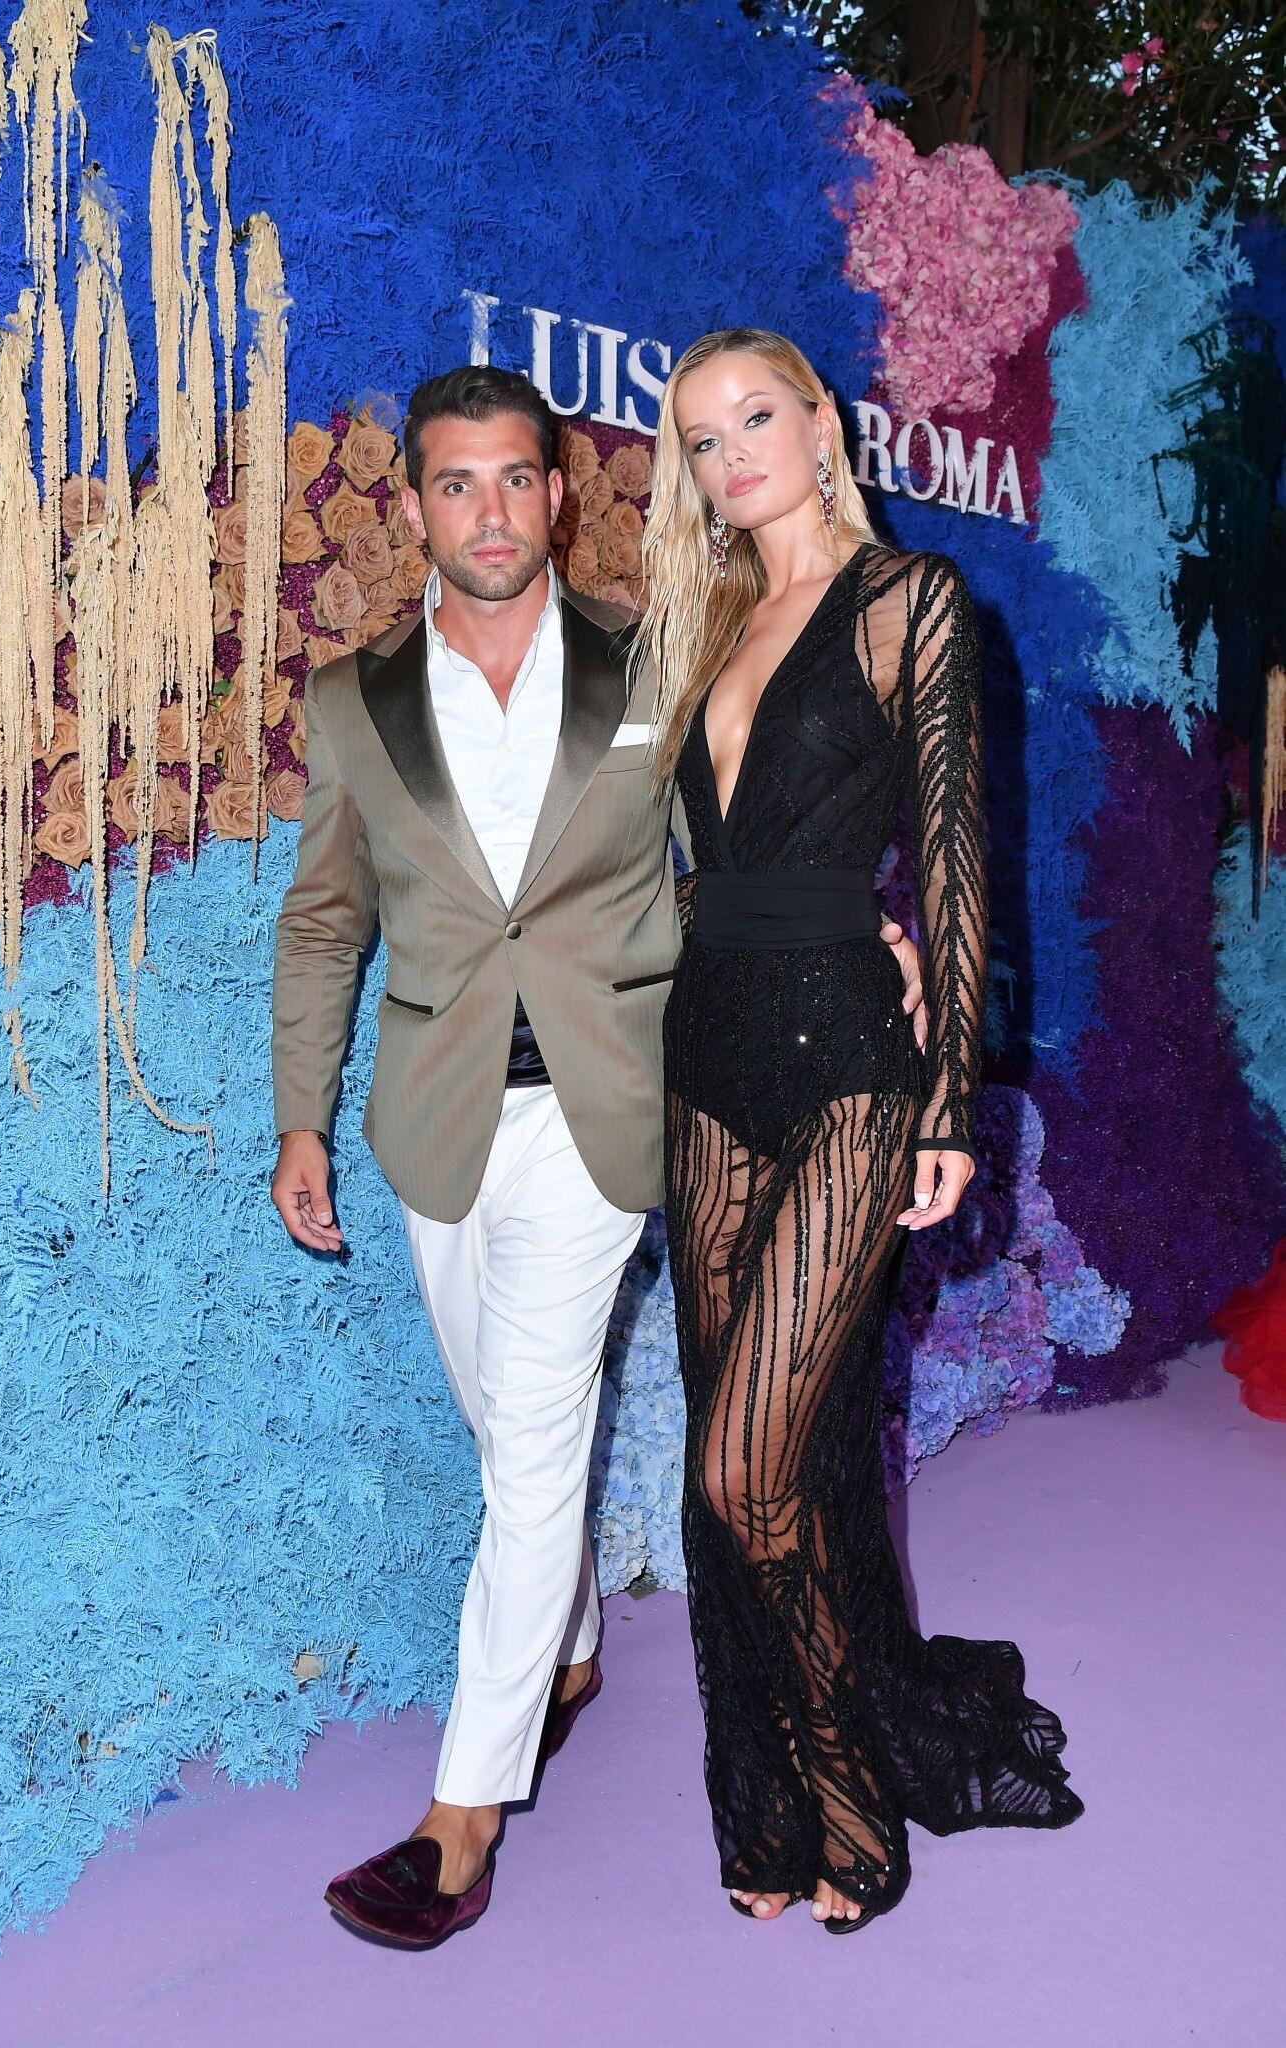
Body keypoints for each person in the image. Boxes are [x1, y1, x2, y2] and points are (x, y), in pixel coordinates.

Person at [269, 364, 926, 1948]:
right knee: (502, 1427)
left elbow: (742, 836)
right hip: (433, 1120)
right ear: (414, 505)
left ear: (558, 495)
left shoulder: (651, 658)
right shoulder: (352, 700)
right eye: (456, 483)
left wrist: (867, 934)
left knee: (535, 1443)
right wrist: (299, 1115)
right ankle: (565, 1650)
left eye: (516, 478)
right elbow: (326, 917)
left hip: (604, 1105)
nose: (489, 511)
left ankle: (459, 1817)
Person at [638, 328, 1083, 1934]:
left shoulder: (909, 603)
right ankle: (762, 1806)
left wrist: (948, 1095)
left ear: (821, 423)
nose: (731, 455)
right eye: (700, 440)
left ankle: (847, 1803)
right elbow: (687, 868)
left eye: (756, 417)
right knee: (769, 1470)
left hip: (846, 1065)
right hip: (709, 1051)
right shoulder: (700, 623)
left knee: (749, 1464)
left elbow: (955, 864)